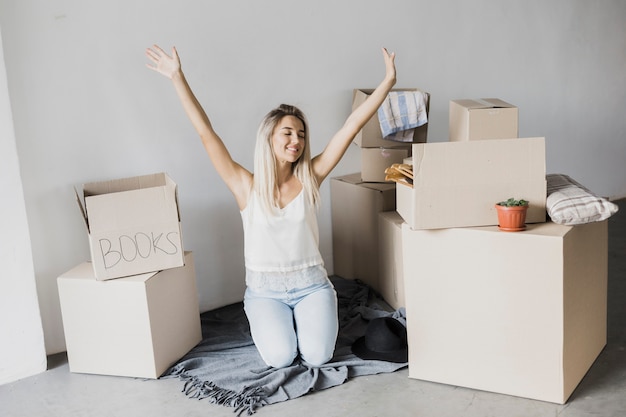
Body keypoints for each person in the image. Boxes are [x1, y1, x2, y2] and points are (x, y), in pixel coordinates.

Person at [145, 44, 397, 368]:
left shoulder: (310, 177)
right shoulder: (244, 186)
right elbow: (205, 133)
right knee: (281, 358)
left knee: (318, 357)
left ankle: (309, 320)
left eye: (302, 135)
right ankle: (273, 323)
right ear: (270, 138)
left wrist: (387, 82)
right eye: (288, 133)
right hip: (265, 293)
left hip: (313, 287)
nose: (297, 141)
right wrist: (177, 77)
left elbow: (350, 128)